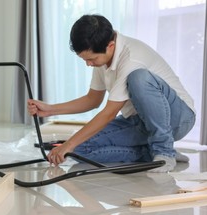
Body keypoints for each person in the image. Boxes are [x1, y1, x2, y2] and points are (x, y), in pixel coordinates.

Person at [27, 14, 196, 172]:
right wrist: (50, 110)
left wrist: (68, 144)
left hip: (177, 118)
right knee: (79, 150)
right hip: (138, 121)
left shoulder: (131, 58)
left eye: (91, 59)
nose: (88, 64)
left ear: (110, 46)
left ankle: (164, 150)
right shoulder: (102, 60)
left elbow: (109, 113)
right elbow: (92, 100)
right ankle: (151, 153)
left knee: (139, 78)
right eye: (85, 60)